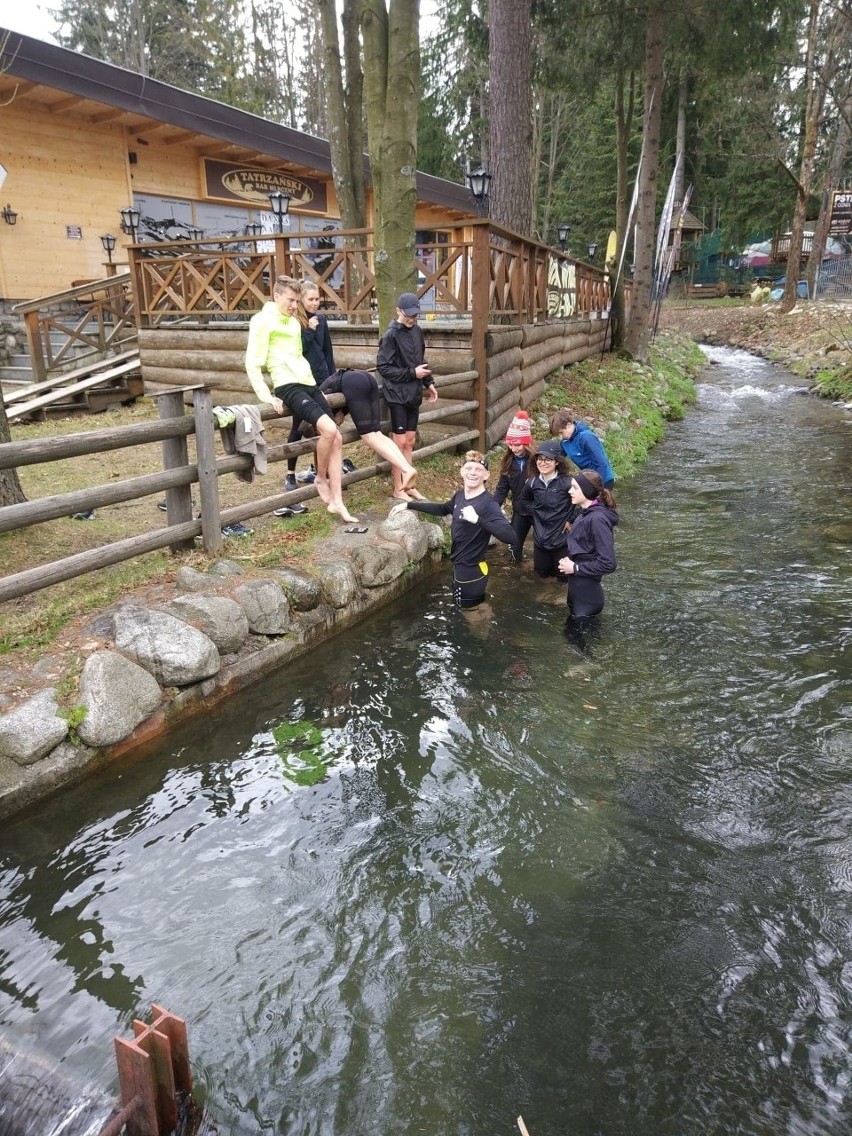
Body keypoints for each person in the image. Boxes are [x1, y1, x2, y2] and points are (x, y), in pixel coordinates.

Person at [245, 275, 357, 524]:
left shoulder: (295, 322)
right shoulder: (262, 321)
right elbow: (253, 363)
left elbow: (300, 354)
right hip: (287, 385)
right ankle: (320, 477)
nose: (295, 306)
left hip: (308, 382)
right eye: (291, 300)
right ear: (276, 296)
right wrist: (267, 396)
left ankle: (337, 501)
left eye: (297, 301)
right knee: (327, 429)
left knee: (336, 436)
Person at [390, 450, 518, 609]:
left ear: (486, 475)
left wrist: (478, 519)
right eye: (469, 468)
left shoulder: (488, 504)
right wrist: (409, 504)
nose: (473, 473)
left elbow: (511, 537)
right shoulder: (460, 495)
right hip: (463, 568)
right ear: (462, 471)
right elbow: (443, 509)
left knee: (469, 615)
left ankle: (482, 630)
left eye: (478, 470)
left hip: (471, 574)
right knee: (478, 612)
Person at [306, 367, 417, 491]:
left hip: (353, 382)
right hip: (367, 378)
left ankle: (406, 469)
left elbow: (301, 428)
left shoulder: (311, 408)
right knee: (377, 433)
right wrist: (342, 412)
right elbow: (346, 397)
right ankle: (407, 467)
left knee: (369, 435)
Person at [377, 291, 438, 501]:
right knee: (399, 442)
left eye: (415, 314)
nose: (411, 318)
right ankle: (398, 489)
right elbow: (383, 368)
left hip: (413, 394)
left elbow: (421, 359)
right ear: (398, 311)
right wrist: (412, 373)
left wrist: (428, 383)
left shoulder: (418, 331)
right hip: (396, 395)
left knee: (410, 441)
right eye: (408, 315)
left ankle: (409, 486)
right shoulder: (390, 335)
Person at [280, 282, 335, 509]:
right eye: (310, 299)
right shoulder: (295, 323)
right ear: (301, 300)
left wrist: (332, 379)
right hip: (300, 382)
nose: (314, 303)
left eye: (317, 299)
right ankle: (290, 473)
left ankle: (320, 472)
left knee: (324, 429)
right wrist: (310, 330)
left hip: (321, 380)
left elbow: (327, 351)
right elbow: (298, 350)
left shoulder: (321, 321)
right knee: (297, 428)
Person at [558, 470, 618, 618]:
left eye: (575, 488)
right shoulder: (584, 513)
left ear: (587, 490)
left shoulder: (597, 519)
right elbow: (586, 549)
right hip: (577, 594)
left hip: (587, 599)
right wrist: (571, 561)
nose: (570, 491)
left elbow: (608, 563)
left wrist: (575, 567)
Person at [517, 439, 577, 583]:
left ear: (557, 462)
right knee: (541, 577)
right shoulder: (532, 482)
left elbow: (588, 502)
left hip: (562, 541)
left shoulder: (568, 482)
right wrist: (535, 512)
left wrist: (572, 519)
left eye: (548, 459)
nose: (543, 463)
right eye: (540, 459)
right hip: (540, 540)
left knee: (564, 580)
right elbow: (522, 501)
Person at [492, 410, 535, 558]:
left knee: (544, 545)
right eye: (511, 444)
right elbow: (501, 490)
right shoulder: (508, 463)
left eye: (518, 445)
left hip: (538, 510)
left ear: (526, 443)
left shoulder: (537, 462)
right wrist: (490, 508)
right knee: (514, 548)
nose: (514, 449)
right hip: (520, 511)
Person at [549, 408, 615, 489]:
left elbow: (602, 464)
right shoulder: (564, 442)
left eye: (561, 432)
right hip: (587, 478)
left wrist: (597, 488)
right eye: (558, 434)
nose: (560, 437)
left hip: (603, 479)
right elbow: (558, 459)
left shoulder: (587, 438)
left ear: (569, 424)